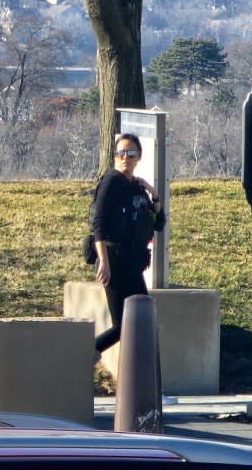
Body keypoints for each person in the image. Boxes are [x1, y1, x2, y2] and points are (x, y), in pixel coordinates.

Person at [93, 133, 166, 359]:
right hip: (114, 260)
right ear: (115, 156)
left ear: (139, 157)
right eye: (121, 152)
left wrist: (155, 195)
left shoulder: (137, 187)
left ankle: (145, 385)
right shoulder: (111, 181)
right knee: (123, 325)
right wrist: (104, 261)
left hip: (132, 263)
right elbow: (99, 224)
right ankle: (82, 356)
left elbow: (158, 223)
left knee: (143, 321)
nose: (126, 157)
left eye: (131, 153)